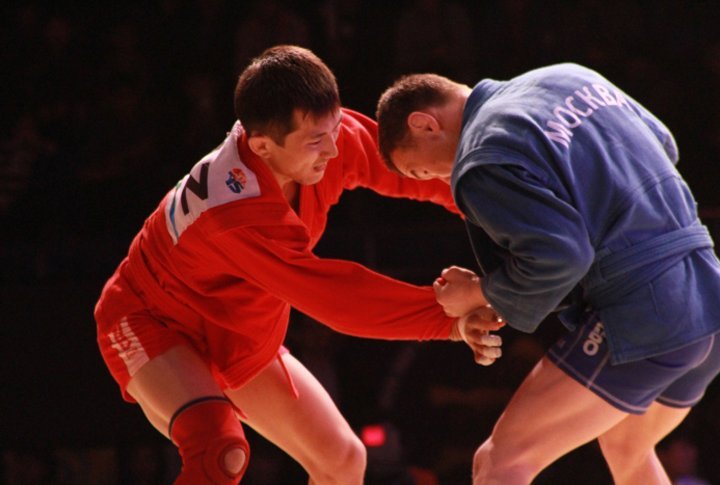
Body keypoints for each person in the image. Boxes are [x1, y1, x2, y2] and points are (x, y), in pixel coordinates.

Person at [94, 45, 503, 484]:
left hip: (237, 330)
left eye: (333, 129)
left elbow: (410, 168)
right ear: (262, 146)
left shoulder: (321, 134)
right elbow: (336, 298)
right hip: (149, 319)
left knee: (342, 461)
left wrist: (497, 210)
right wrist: (448, 320)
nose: (332, 149)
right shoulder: (234, 213)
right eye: (315, 142)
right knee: (218, 450)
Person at [375, 64, 720, 484]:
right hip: (707, 291)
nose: (439, 180)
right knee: (626, 445)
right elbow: (663, 144)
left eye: (421, 170)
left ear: (425, 124)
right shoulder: (569, 77)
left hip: (646, 312)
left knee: (499, 463)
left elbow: (560, 257)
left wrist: (479, 292)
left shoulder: (482, 154)